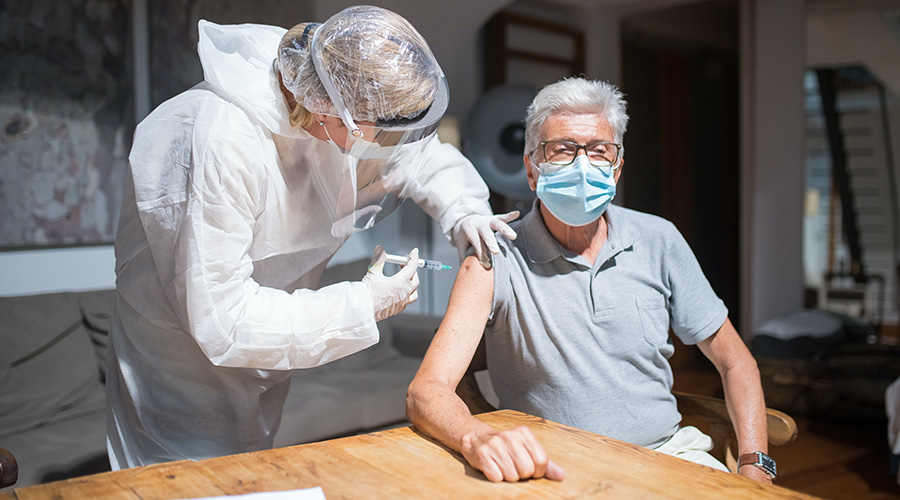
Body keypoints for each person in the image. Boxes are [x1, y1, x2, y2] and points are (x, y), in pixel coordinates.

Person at [107, 5, 519, 469]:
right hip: (180, 374)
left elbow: (421, 160)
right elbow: (221, 319)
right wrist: (363, 303)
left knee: (249, 474)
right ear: (330, 110)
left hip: (266, 363)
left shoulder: (332, 104)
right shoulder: (219, 138)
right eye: (380, 133)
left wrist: (466, 212)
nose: (387, 146)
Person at [406, 77, 775, 484]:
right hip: (553, 471)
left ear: (617, 169)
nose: (583, 164)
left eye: (600, 151)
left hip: (669, 456)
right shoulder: (495, 255)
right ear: (531, 170)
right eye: (562, 149)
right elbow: (426, 390)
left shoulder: (659, 239)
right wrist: (476, 436)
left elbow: (736, 360)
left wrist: (755, 464)